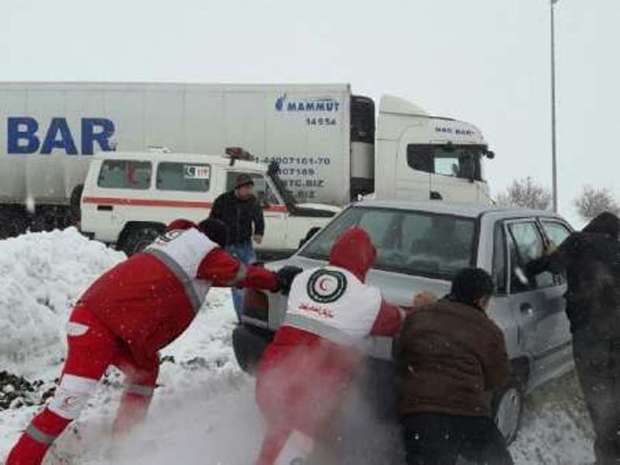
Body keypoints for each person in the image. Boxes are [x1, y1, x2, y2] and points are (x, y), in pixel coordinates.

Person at [5, 218, 297, 465]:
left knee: (145, 371)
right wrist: (277, 280)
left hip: (115, 329)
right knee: (65, 406)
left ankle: (124, 443)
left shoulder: (180, 243)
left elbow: (218, 274)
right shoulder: (205, 254)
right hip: (97, 329)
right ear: (215, 244)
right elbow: (239, 272)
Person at [254, 227, 411, 465]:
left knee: (283, 437)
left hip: (272, 374)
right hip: (313, 388)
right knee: (302, 445)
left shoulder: (304, 278)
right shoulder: (367, 298)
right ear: (367, 260)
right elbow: (395, 322)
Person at [526, 212, 620, 465]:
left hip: (590, 336)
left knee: (598, 397)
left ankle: (607, 457)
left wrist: (528, 266)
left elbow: (550, 266)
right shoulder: (617, 248)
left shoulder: (578, 241)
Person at [395, 268, 513, 465]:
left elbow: (401, 358)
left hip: (420, 415)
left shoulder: (419, 317)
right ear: (482, 300)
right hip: (470, 416)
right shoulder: (489, 330)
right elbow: (498, 377)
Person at [210, 173, 265, 320]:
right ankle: (243, 318)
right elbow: (213, 221)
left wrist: (259, 232)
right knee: (239, 283)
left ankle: (254, 313)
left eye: (250, 188)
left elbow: (259, 219)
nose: (249, 191)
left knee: (254, 277)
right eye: (246, 188)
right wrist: (215, 240)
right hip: (229, 246)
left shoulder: (252, 201)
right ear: (238, 188)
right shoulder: (223, 201)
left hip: (245, 245)